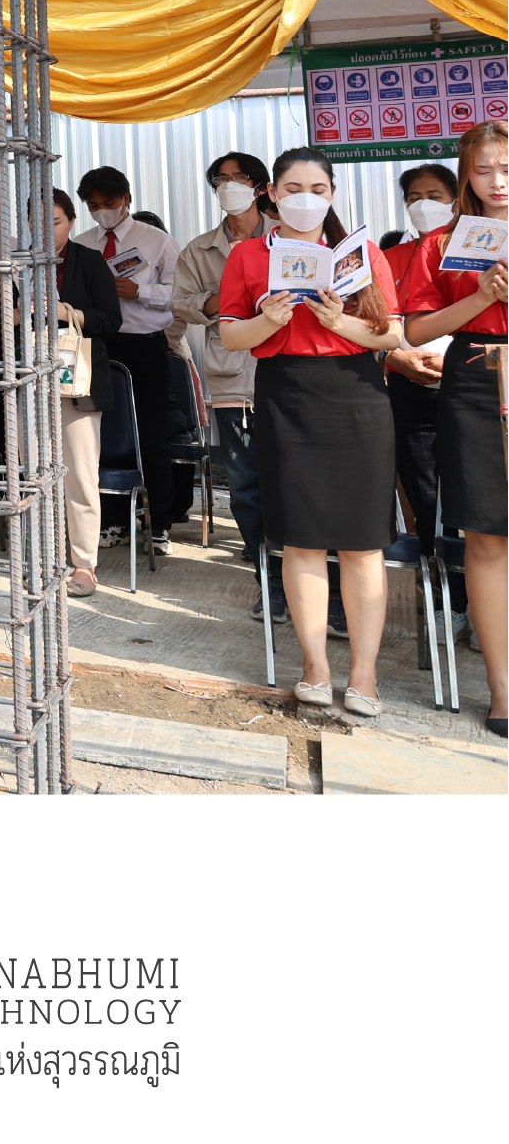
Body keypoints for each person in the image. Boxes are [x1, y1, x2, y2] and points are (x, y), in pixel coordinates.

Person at [219, 147, 401, 717]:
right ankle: (315, 666)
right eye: (292, 189)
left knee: (362, 543)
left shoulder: (361, 254)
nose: (305, 199)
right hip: (286, 394)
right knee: (300, 540)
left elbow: (391, 336)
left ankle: (365, 674)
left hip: (358, 396)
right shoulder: (248, 255)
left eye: (317, 189)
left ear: (332, 194)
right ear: (272, 194)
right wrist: (267, 319)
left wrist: (338, 320)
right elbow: (230, 336)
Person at [401, 122, 509, 736]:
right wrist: (481, 296)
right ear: (467, 174)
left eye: (507, 168)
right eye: (484, 169)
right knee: (487, 537)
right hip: (472, 378)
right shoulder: (442, 242)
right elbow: (415, 330)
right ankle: (502, 689)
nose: (497, 182)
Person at [173, 153, 285, 619]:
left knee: (293, 482)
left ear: (260, 187)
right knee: (245, 486)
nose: (229, 186)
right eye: (221, 179)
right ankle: (270, 582)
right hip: (231, 379)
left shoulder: (288, 236)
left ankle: (322, 586)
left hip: (285, 374)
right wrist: (225, 297)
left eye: (239, 178)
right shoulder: (199, 250)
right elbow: (181, 305)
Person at [73, 166, 187, 551]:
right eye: (93, 206)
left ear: (126, 199)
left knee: (151, 435)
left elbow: (180, 294)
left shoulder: (157, 241)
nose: (102, 212)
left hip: (145, 347)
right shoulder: (83, 244)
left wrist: (139, 291)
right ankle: (114, 521)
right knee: (100, 436)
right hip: (98, 345)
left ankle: (159, 524)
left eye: (108, 203)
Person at [385, 163, 459, 559]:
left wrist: (458, 363)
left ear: (456, 201)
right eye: (414, 198)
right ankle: (435, 574)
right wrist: (395, 357)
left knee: (473, 491)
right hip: (409, 388)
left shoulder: (476, 254)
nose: (423, 205)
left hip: (470, 384)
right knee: (423, 488)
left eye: (434, 197)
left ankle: (474, 579)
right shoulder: (389, 259)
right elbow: (370, 325)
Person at [52, 190, 121, 595]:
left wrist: (69, 313)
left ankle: (83, 565)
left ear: (72, 222)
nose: (46, 231)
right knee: (33, 475)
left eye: (55, 222)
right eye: (36, 223)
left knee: (80, 473)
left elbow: (112, 319)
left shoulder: (90, 261)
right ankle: (44, 557)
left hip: (77, 381)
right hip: (27, 379)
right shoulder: (18, 263)